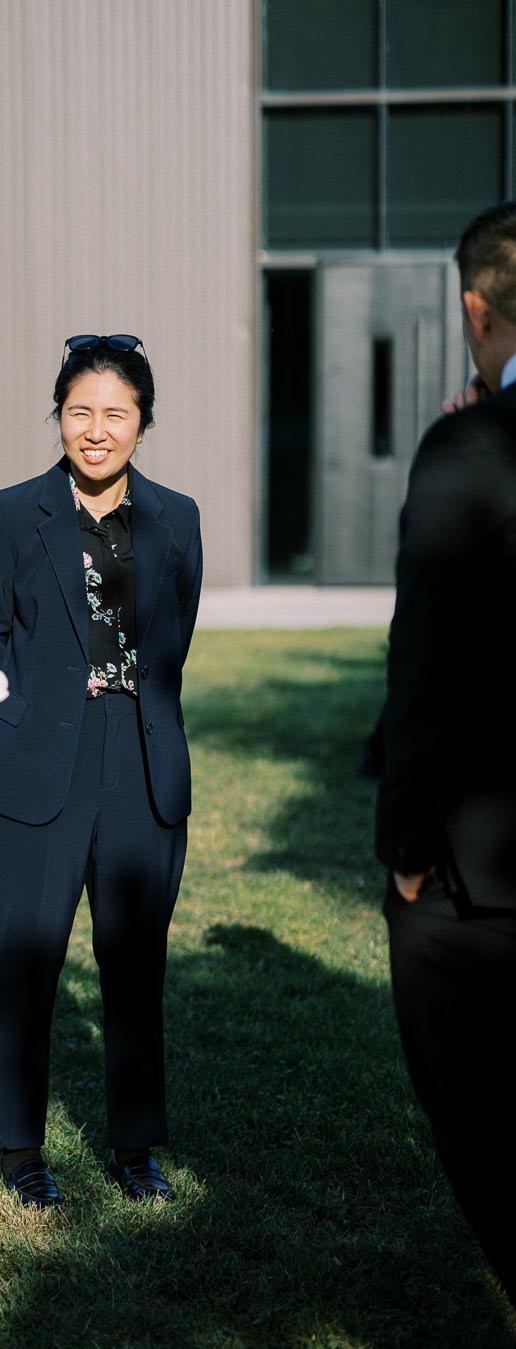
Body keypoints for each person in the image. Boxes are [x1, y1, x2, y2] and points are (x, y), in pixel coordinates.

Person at [0, 334, 202, 1207]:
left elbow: (176, 641)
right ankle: (20, 1147)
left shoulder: (179, 518)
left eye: (115, 414)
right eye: (79, 412)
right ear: (57, 415)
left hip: (141, 765)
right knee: (24, 957)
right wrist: (18, 723)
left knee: (135, 963)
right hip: (37, 765)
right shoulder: (9, 512)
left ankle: (136, 1147)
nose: (95, 431)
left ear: (143, 423)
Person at [376, 200, 516, 1305]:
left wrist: (407, 843)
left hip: (487, 874)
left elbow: (422, 654)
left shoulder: (467, 445)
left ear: (476, 307)